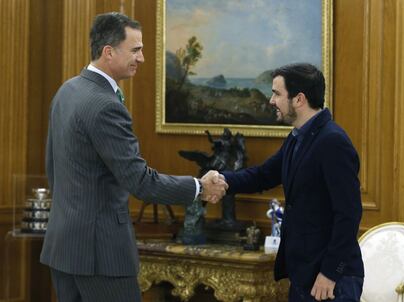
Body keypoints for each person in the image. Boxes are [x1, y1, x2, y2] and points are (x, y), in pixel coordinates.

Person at [40, 12, 227, 302]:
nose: (142, 58)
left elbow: (53, 167)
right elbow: (140, 181)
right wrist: (200, 187)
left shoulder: (67, 91)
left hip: (64, 247)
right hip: (100, 255)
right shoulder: (104, 105)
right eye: (136, 50)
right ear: (109, 52)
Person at [220, 63, 364, 301]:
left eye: (277, 93)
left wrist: (330, 272)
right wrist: (222, 179)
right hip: (303, 275)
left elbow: (349, 214)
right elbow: (263, 175)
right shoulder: (298, 137)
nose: (271, 100)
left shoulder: (333, 142)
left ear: (299, 99)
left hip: (330, 281)